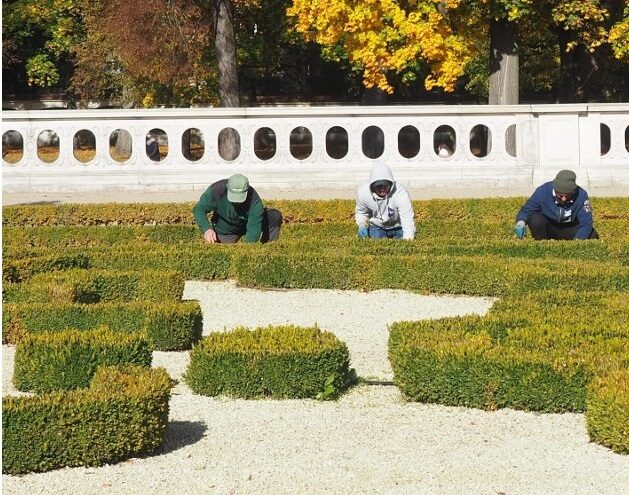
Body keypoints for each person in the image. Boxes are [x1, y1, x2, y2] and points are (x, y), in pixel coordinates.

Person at [193, 174, 282, 244]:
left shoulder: (254, 200)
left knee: (274, 216)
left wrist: (248, 251)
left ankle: (268, 247)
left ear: (247, 191)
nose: (237, 202)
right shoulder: (216, 191)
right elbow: (199, 209)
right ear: (227, 187)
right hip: (226, 229)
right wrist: (207, 229)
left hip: (247, 224)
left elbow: (254, 229)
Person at [514, 169, 598, 240]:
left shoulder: (582, 195)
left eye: (568, 195)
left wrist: (576, 244)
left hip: (570, 228)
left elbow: (586, 223)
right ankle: (542, 246)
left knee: (592, 234)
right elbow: (526, 211)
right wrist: (520, 223)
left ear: (573, 191)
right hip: (549, 228)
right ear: (554, 190)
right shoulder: (542, 191)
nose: (564, 199)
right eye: (560, 195)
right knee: (535, 219)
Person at [355, 163, 415, 240]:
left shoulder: (400, 193)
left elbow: (407, 217)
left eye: (385, 185)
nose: (382, 189)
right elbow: (361, 212)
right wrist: (362, 225)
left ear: (391, 184)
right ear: (372, 185)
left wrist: (408, 241)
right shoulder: (363, 192)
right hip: (377, 226)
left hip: (399, 226)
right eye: (378, 186)